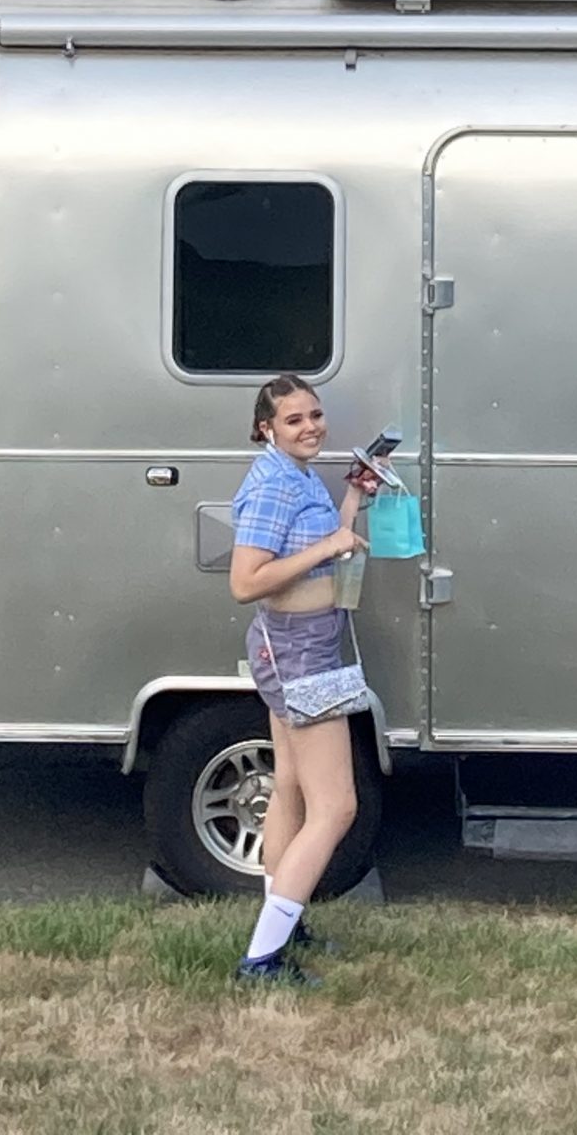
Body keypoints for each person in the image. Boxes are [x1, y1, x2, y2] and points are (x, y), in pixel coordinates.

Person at [227, 372, 366, 988]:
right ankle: (261, 960)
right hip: (300, 651)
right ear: (267, 429)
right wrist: (329, 547)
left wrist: (353, 498)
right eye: (294, 420)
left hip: (299, 645)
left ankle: (283, 925)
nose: (310, 427)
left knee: (290, 786)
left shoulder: (297, 475)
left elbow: (326, 542)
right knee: (336, 807)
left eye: (315, 415)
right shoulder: (273, 486)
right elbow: (246, 581)